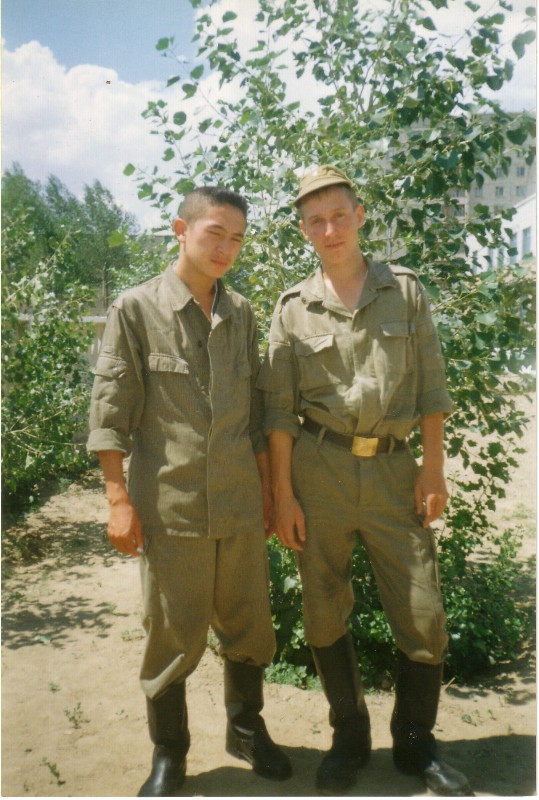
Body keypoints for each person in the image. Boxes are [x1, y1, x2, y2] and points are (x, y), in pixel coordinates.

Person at [258, 165, 472, 796]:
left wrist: (433, 468)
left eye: (339, 216)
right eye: (315, 221)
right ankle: (348, 738)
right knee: (324, 609)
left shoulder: (404, 291)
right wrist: (283, 495)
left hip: (393, 471)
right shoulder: (292, 310)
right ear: (304, 230)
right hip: (319, 471)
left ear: (359, 217)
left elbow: (432, 389)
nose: (330, 230)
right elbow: (278, 413)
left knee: (423, 611)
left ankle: (415, 744)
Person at [87, 186, 292, 797]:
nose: (226, 248)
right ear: (181, 229)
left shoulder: (242, 314)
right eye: (215, 233)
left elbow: (253, 418)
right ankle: (169, 752)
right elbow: (110, 413)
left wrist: (268, 493)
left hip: (238, 505)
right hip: (170, 507)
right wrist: (117, 499)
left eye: (237, 238)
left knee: (250, 626)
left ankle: (246, 730)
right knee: (172, 634)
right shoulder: (136, 309)